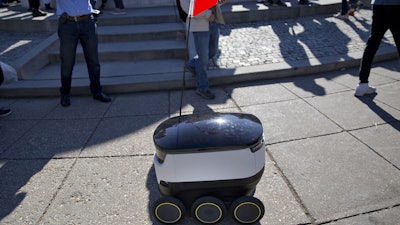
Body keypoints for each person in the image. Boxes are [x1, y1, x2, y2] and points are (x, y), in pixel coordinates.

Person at [56, 0, 111, 107]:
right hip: (68, 24)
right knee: (67, 62)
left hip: (87, 22)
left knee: (93, 60)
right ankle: (65, 93)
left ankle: (97, 91)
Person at [180, 0, 226, 99]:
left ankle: (192, 64)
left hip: (213, 22)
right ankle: (202, 88)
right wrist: (207, 14)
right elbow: (187, 6)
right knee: (203, 58)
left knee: (213, 51)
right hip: (200, 25)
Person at [354, 0, 400, 97]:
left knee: (372, 43)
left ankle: (362, 83)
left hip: (378, 4)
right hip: (396, 5)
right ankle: (362, 84)